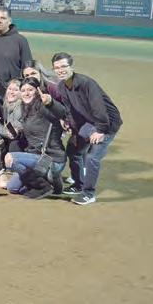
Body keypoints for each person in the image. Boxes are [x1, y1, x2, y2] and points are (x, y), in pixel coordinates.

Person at [52, 52, 122, 205]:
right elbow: (70, 110)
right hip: (88, 123)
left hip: (107, 124)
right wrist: (70, 125)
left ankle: (89, 194)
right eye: (57, 68)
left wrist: (100, 131)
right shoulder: (62, 86)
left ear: (71, 67)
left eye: (64, 66)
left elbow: (99, 108)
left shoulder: (87, 83)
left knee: (92, 157)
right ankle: (79, 184)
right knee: (73, 150)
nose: (60, 70)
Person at [3, 77, 67, 199]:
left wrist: (50, 103)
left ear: (37, 91)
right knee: (13, 188)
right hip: (35, 156)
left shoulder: (43, 106)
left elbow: (61, 112)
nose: (26, 93)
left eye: (30, 90)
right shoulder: (25, 108)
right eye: (23, 90)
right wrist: (16, 133)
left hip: (51, 158)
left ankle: (43, 186)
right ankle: (53, 182)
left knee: (10, 158)